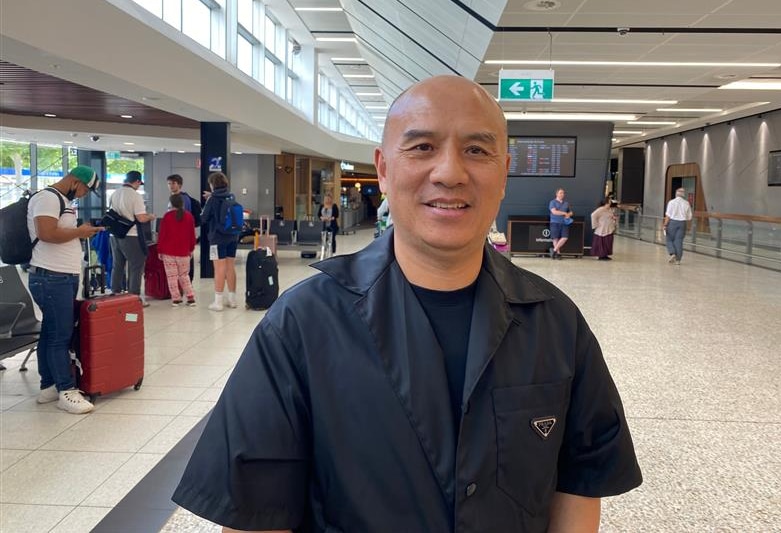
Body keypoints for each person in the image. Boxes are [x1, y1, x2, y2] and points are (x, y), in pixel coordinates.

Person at [172, 75, 642, 532]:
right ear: (382, 168)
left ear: (503, 172)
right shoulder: (302, 325)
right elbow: (257, 511)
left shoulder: (555, 323)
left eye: (477, 150)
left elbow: (580, 484)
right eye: (422, 147)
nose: (450, 172)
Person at [27, 165, 103, 414]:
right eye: (84, 189)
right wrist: (80, 232)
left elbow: (59, 232)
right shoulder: (48, 198)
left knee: (51, 333)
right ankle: (66, 391)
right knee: (61, 336)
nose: (83, 194)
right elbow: (46, 233)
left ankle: (48, 385)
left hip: (60, 276)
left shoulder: (61, 200)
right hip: (51, 277)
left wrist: (80, 233)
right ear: (75, 181)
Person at [108, 170, 155, 306]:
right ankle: (134, 297)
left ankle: (115, 293)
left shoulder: (115, 193)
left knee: (118, 264)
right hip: (131, 235)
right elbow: (140, 217)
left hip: (114, 234)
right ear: (137, 182)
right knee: (136, 265)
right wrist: (150, 216)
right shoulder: (135, 196)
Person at [201, 171, 238, 311]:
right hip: (232, 236)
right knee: (230, 267)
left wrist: (208, 202)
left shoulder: (212, 200)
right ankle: (232, 299)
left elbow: (203, 218)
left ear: (212, 184)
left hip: (217, 238)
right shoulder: (231, 196)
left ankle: (218, 302)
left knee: (219, 268)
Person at [157, 194, 197, 307]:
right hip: (184, 252)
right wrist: (191, 249)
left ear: (171, 203)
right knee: (184, 275)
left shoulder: (167, 216)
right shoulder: (189, 216)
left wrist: (159, 250)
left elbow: (162, 235)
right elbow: (192, 235)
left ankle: (176, 299)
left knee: (172, 277)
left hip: (168, 252)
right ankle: (190, 297)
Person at [663, 187, 693, 265]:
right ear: (683, 195)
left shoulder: (671, 202)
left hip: (672, 223)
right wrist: (689, 227)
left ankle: (672, 253)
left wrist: (665, 224)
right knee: (678, 241)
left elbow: (668, 215)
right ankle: (678, 260)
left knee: (669, 239)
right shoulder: (686, 203)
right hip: (682, 223)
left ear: (676, 194)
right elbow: (689, 217)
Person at [590, 196, 618, 260]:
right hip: (602, 229)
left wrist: (613, 218)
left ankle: (605, 255)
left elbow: (610, 216)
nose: (610, 203)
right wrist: (595, 225)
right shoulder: (600, 209)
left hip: (609, 229)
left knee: (608, 242)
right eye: (609, 201)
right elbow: (593, 215)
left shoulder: (609, 209)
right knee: (602, 242)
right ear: (606, 202)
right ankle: (601, 256)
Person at [548, 187, 573, 259]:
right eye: (560, 193)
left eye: (563, 193)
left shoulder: (566, 203)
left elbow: (571, 212)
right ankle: (558, 254)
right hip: (555, 222)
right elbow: (554, 212)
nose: (562, 194)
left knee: (565, 237)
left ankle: (554, 250)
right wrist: (564, 213)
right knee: (555, 238)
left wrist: (569, 214)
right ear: (557, 194)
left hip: (564, 223)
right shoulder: (552, 202)